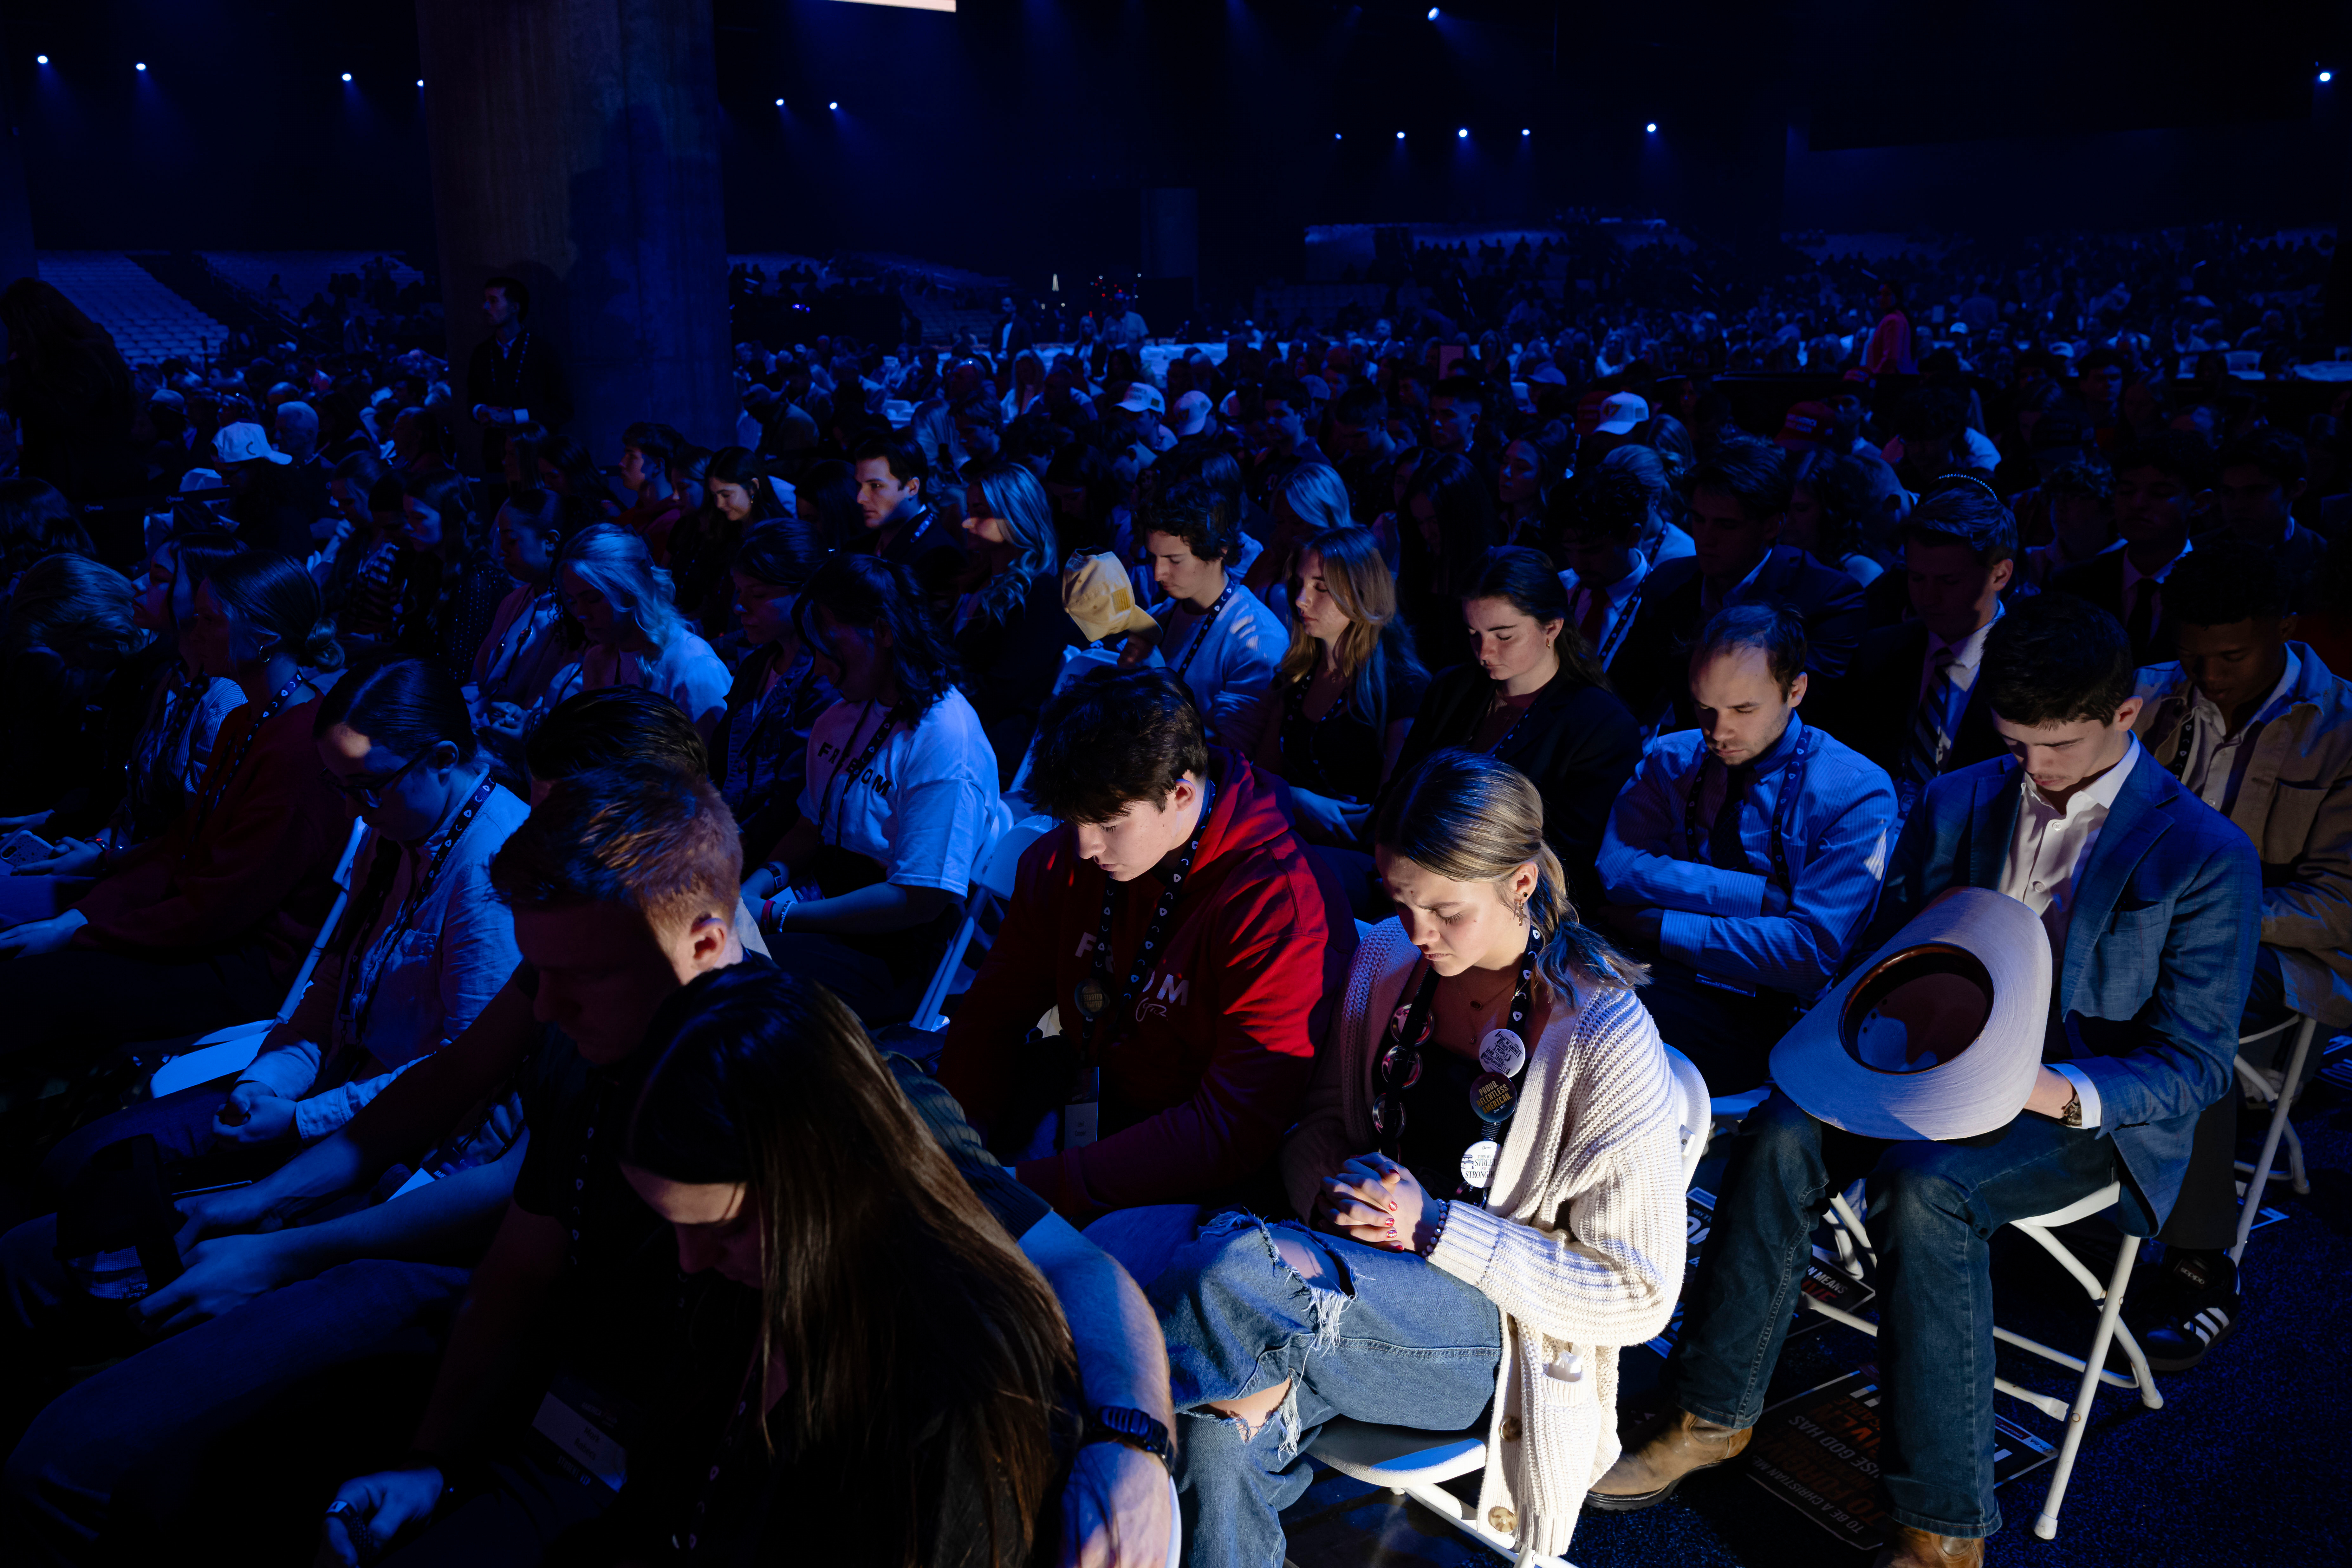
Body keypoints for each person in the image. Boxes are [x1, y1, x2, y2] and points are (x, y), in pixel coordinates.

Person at [308, 767, 1174, 1568]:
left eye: (583, 973)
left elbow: (1072, 1266)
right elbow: (519, 1272)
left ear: (704, 941)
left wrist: (1131, 1444)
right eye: (537, 973)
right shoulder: (605, 1069)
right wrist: (432, 1458)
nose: (545, 1006)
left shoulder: (841, 1108)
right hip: (595, 1454)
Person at [1592, 593, 2258, 1568]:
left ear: (2127, 716)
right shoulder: (1961, 797)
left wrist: (2038, 1085)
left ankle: (1942, 1528)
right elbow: (1878, 950)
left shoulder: (2203, 853)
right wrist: (1890, 1026)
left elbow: (2193, 1066)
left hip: (2077, 1101)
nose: (2034, 771)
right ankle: (1711, 1410)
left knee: (1925, 1189)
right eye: (2016, 743)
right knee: (1779, 1130)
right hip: (1926, 1062)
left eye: (2060, 747)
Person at [1152, 748, 1682, 1567]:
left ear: (1520, 883)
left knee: (1235, 1272)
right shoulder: (1384, 962)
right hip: (1342, 1288)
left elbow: (1639, 1294)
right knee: (1215, 1438)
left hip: (1499, 1342)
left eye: (1445, 911)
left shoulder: (1605, 1036)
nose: (1418, 935)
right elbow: (1323, 1129)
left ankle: (1101, 1434)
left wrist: (1432, 1228)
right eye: (1401, 905)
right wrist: (1337, 1196)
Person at [501, 965, 1081, 1562]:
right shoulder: (754, 1286)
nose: (691, 1260)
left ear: (826, 1179)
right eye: (675, 1226)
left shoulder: (952, 1399)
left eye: (723, 1230)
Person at [936, 667, 1353, 1285]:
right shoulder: (1062, 860)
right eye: (1071, 820)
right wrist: (958, 1145)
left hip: (1202, 1176)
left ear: (1182, 793)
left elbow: (1228, 1131)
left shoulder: (1279, 906)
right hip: (1079, 1103)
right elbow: (991, 1015)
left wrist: (1026, 1190)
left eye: (1107, 824)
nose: (1082, 847)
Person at [2128, 537, 2352, 1369]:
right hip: (2143, 933)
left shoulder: (2340, 729)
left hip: (2283, 955)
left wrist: (2210, 916)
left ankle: (2198, 1265)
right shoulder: (2150, 696)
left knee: (2195, 995)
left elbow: (2340, 904)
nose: (2211, 675)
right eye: (2195, 655)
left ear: (2284, 628)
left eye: (2232, 654)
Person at [0, 552, 346, 1062]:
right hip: (204, 932)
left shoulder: (301, 753)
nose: (195, 631)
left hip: (244, 963)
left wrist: (85, 933)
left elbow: (222, 904)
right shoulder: (246, 721)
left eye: (211, 620)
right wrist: (76, 920)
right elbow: (183, 847)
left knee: (21, 989)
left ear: (265, 637)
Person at [1594, 604, 1896, 1092]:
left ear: (1795, 690)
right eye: (1704, 708)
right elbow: (1618, 869)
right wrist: (1749, 894)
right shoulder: (1670, 758)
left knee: (1611, 1033)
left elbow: (1806, 955)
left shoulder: (1855, 791)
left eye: (1743, 710)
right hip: (1657, 972)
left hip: (1768, 1010)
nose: (1717, 731)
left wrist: (1659, 923)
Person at [740, 554, 1009, 1025]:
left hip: (894, 950)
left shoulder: (945, 737)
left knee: (741, 979)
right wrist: (756, 886)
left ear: (883, 633)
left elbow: (917, 899)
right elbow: (810, 826)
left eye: (828, 647)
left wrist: (777, 917)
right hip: (822, 906)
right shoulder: (841, 714)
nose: (818, 668)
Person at [1389, 548, 1641, 912]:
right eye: (1473, 633)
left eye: (1503, 636)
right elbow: (1401, 792)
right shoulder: (1451, 688)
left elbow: (1567, 862)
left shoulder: (1600, 726)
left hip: (1513, 907)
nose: (1483, 652)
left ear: (1551, 628)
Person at [1611, 441, 1868, 731]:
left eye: (1726, 525)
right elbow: (1623, 696)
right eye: (1699, 519)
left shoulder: (1826, 598)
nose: (1705, 538)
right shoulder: (1669, 583)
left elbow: (1793, 714)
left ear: (1772, 526)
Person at [1817, 482, 2019, 820]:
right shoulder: (1876, 652)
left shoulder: (2034, 669)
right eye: (1916, 578)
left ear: (2000, 574)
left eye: (1948, 582)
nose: (1927, 597)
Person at [1251, 524, 1428, 851]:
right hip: (1285, 839)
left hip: (1357, 855)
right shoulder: (1294, 675)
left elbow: (1393, 808)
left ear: (1362, 593)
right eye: (1300, 585)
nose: (1301, 600)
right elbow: (1260, 779)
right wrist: (1295, 800)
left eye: (1321, 588)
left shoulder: (1403, 686)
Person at [1127, 478, 1287, 756]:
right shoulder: (1164, 613)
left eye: (1174, 560)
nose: (1158, 574)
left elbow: (1236, 759)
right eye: (1153, 558)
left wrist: (1158, 682)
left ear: (1220, 550)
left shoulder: (1257, 640)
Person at [709, 520, 836, 868]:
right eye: (739, 591)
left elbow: (789, 799)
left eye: (759, 594)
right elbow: (717, 763)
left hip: (772, 860)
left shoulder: (825, 680)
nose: (739, 606)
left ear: (805, 591)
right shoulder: (756, 665)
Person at [955, 459, 1084, 783]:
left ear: (1016, 518)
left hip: (987, 750)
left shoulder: (1040, 595)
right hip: (957, 727)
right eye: (969, 509)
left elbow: (998, 693)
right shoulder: (979, 579)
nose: (967, 522)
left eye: (981, 513)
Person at [539, 523, 732, 738]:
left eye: (592, 598)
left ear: (632, 589)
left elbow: (714, 767)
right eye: (573, 601)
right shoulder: (598, 662)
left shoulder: (693, 668)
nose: (581, 613)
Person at [2052, 430, 2213, 667]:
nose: (2138, 504)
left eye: (2160, 493)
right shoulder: (2073, 585)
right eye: (2127, 491)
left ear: (2199, 504)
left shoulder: (2217, 588)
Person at [0, 279, 141, 507]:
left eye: (17, 327)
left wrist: (19, 371)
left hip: (94, 489)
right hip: (75, 485)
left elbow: (53, 415)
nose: (14, 336)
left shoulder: (84, 358)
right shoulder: (68, 357)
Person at [470, 487, 586, 735]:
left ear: (551, 542)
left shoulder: (574, 613)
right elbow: (481, 677)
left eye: (512, 541)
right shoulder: (513, 601)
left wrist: (526, 720)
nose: (502, 551)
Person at [396, 469, 507, 682]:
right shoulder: (429, 563)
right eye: (407, 516)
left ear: (450, 517)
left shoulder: (477, 578)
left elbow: (460, 669)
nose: (408, 527)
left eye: (418, 517)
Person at [1394, 452, 1504, 666]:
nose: (1428, 533)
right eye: (1420, 521)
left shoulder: (1492, 573)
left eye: (1435, 521)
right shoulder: (1421, 567)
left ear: (1462, 515)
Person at [851, 429, 968, 619]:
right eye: (859, 485)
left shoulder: (942, 558)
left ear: (912, 488)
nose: (860, 498)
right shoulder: (858, 546)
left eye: (875, 486)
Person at [672, 444, 784, 639]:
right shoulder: (726, 531)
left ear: (753, 488)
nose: (719, 505)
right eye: (714, 496)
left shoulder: (775, 538)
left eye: (726, 495)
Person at [2207, 428, 2327, 610]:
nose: (2238, 505)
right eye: (2228, 492)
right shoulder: (2199, 553)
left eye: (2255, 491)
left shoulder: (2323, 562)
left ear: (2296, 489)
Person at [1551, 467, 1653, 673]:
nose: (1579, 565)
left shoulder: (1658, 606)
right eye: (1569, 550)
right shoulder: (1557, 588)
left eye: (1593, 550)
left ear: (1633, 536)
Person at [465, 275, 562, 472]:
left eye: (493, 301)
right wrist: (481, 411)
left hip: (536, 454)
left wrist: (515, 417)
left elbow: (563, 408)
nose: (486, 307)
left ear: (514, 308)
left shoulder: (542, 351)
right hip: (496, 454)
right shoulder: (482, 352)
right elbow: (471, 400)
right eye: (486, 301)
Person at [1786, 451, 1889, 586]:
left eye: (1801, 509)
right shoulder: (1770, 561)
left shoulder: (1861, 572)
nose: (1787, 519)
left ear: (1830, 510)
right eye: (1783, 507)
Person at [613, 421, 686, 563]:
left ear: (658, 466)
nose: (621, 464)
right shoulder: (626, 519)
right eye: (625, 455)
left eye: (632, 457)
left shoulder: (676, 524)